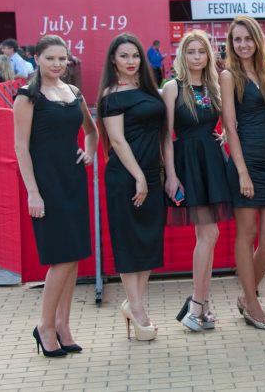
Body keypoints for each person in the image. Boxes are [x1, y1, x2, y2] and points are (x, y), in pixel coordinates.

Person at [13, 35, 98, 357]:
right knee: (61, 258)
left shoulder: (73, 92)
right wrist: (33, 192)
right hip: (47, 184)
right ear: (37, 59)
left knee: (73, 256)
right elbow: (21, 147)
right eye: (50, 58)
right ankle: (45, 326)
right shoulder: (27, 96)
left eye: (62, 58)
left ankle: (63, 325)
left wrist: (89, 153)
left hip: (73, 180)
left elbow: (92, 131)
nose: (57, 64)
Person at [162, 30, 233, 332]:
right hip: (188, 164)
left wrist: (225, 136)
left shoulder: (214, 86)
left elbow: (228, 122)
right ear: (182, 55)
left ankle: (201, 305)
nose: (196, 57)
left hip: (212, 162)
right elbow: (165, 136)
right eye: (191, 51)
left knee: (209, 235)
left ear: (208, 55)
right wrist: (171, 175)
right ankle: (196, 305)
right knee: (209, 234)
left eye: (201, 52)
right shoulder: (172, 88)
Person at [97, 33, 166, 342]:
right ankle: (137, 310)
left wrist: (159, 173)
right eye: (124, 56)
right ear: (113, 60)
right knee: (129, 241)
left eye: (135, 55)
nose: (130, 61)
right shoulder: (111, 95)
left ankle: (133, 304)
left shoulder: (148, 89)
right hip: (126, 176)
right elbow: (116, 140)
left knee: (148, 241)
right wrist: (138, 176)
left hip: (152, 174)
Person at [220, 15, 265, 331]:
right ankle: (253, 303)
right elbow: (230, 126)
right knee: (247, 235)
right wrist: (242, 171)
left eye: (247, 38)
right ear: (231, 44)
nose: (242, 44)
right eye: (237, 39)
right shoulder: (228, 76)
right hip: (246, 161)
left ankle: (246, 296)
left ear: (257, 40)